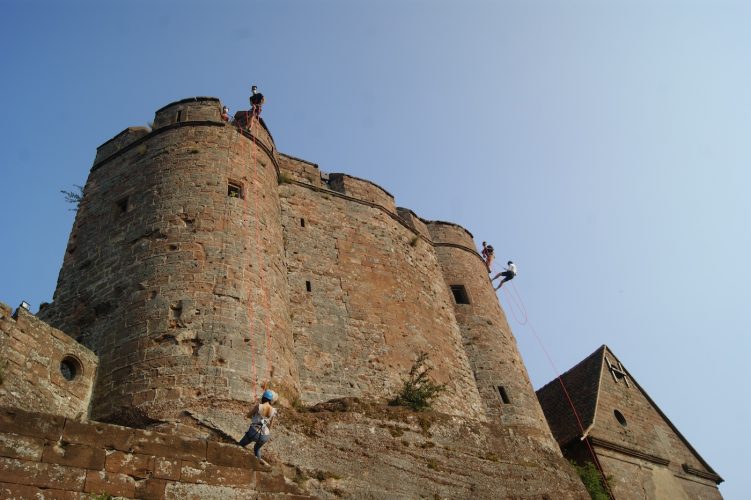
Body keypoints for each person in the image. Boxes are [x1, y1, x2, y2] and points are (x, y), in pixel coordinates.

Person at [238, 389, 277, 465]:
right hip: (265, 435)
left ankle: (237, 460)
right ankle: (259, 465)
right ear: (270, 400)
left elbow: (248, 415)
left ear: (263, 398)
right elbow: (270, 425)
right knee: (257, 449)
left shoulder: (259, 406)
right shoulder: (273, 410)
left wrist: (253, 415)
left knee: (240, 445)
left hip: (254, 432)